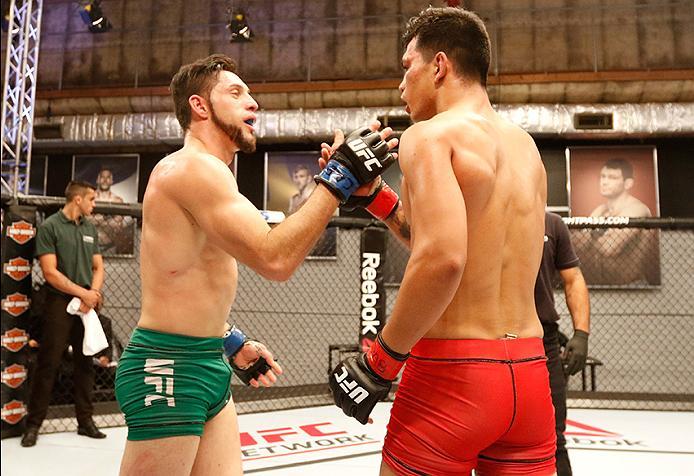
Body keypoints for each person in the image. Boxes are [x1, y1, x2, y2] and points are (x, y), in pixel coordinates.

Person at [114, 53, 397, 476]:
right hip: (168, 366)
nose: (253, 103)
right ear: (200, 106)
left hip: (206, 359)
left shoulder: (214, 175)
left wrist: (228, 339)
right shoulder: (189, 169)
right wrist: (339, 178)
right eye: (236, 92)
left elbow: (183, 274)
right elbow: (275, 258)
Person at [327, 7, 558, 475]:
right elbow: (452, 242)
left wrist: (380, 363)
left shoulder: (429, 136)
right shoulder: (525, 147)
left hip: (454, 376)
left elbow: (443, 259)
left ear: (438, 65)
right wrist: (376, 198)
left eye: (406, 67)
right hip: (530, 375)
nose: (401, 85)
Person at [21, 181, 106, 447]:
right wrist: (82, 295)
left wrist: (91, 294)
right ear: (78, 199)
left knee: (85, 364)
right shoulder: (50, 227)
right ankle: (33, 425)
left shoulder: (90, 227)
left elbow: (98, 267)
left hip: (86, 302)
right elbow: (50, 272)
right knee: (49, 362)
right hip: (59, 301)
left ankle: (86, 421)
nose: (94, 204)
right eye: (91, 199)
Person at [535, 212, 591, 476]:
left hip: (543, 340)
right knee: (486, 440)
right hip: (490, 337)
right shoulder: (484, 210)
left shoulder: (552, 224)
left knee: (554, 438)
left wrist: (581, 334)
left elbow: (573, 279)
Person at [578, 158, 656, 285]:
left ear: (628, 183)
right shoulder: (600, 210)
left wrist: (591, 232)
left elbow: (610, 248)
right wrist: (599, 232)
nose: (604, 182)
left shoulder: (637, 209)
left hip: (633, 287)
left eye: (612, 178)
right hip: (604, 287)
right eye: (603, 176)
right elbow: (580, 246)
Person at [92, 167, 132, 256]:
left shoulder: (118, 201)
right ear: (97, 180)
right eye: (102, 177)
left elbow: (118, 225)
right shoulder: (90, 198)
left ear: (112, 181)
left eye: (108, 177)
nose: (105, 180)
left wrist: (97, 219)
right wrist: (108, 219)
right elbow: (85, 220)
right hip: (90, 245)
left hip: (109, 246)